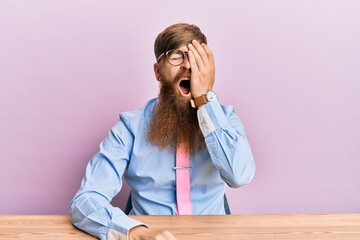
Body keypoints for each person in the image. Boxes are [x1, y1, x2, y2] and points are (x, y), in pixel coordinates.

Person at [70, 23, 255, 240]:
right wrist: (136, 233)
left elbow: (239, 176)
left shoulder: (225, 120)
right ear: (158, 72)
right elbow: (86, 200)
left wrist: (205, 98)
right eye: (177, 56)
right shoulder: (130, 127)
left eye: (196, 58)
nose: (188, 66)